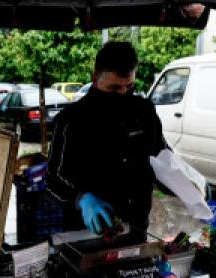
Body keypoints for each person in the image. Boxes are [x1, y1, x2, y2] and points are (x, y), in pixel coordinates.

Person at [47, 41, 167, 236]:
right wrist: (82, 199)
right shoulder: (71, 120)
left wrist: (186, 180)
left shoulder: (145, 112)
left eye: (129, 87)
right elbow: (53, 177)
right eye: (113, 88)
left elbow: (161, 155)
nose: (122, 93)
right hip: (88, 228)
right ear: (95, 79)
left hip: (136, 223)